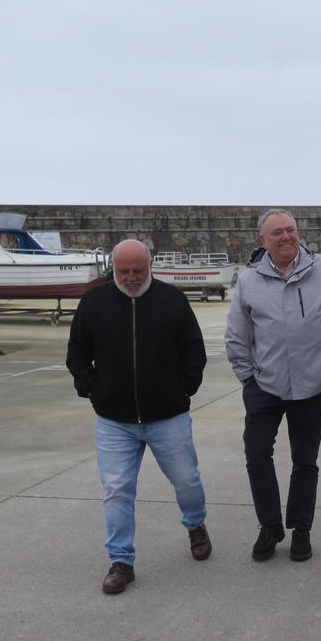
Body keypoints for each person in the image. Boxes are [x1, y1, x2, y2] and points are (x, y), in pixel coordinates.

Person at [66, 239, 210, 595]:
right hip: (115, 420)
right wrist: (93, 391)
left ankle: (196, 525)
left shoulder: (172, 300)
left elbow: (194, 351)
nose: (131, 278)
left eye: (138, 271)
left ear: (150, 267)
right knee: (117, 490)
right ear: (113, 269)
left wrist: (183, 389)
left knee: (186, 480)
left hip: (167, 416)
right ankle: (121, 561)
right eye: (123, 271)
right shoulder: (93, 303)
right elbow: (77, 355)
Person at [224, 209, 321, 563]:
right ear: (262, 241)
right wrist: (247, 377)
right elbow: (237, 335)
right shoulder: (249, 280)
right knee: (256, 454)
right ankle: (269, 526)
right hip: (263, 386)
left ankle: (301, 529)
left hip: (313, 385)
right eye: (277, 233)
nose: (286, 237)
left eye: (291, 230)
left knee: (305, 460)